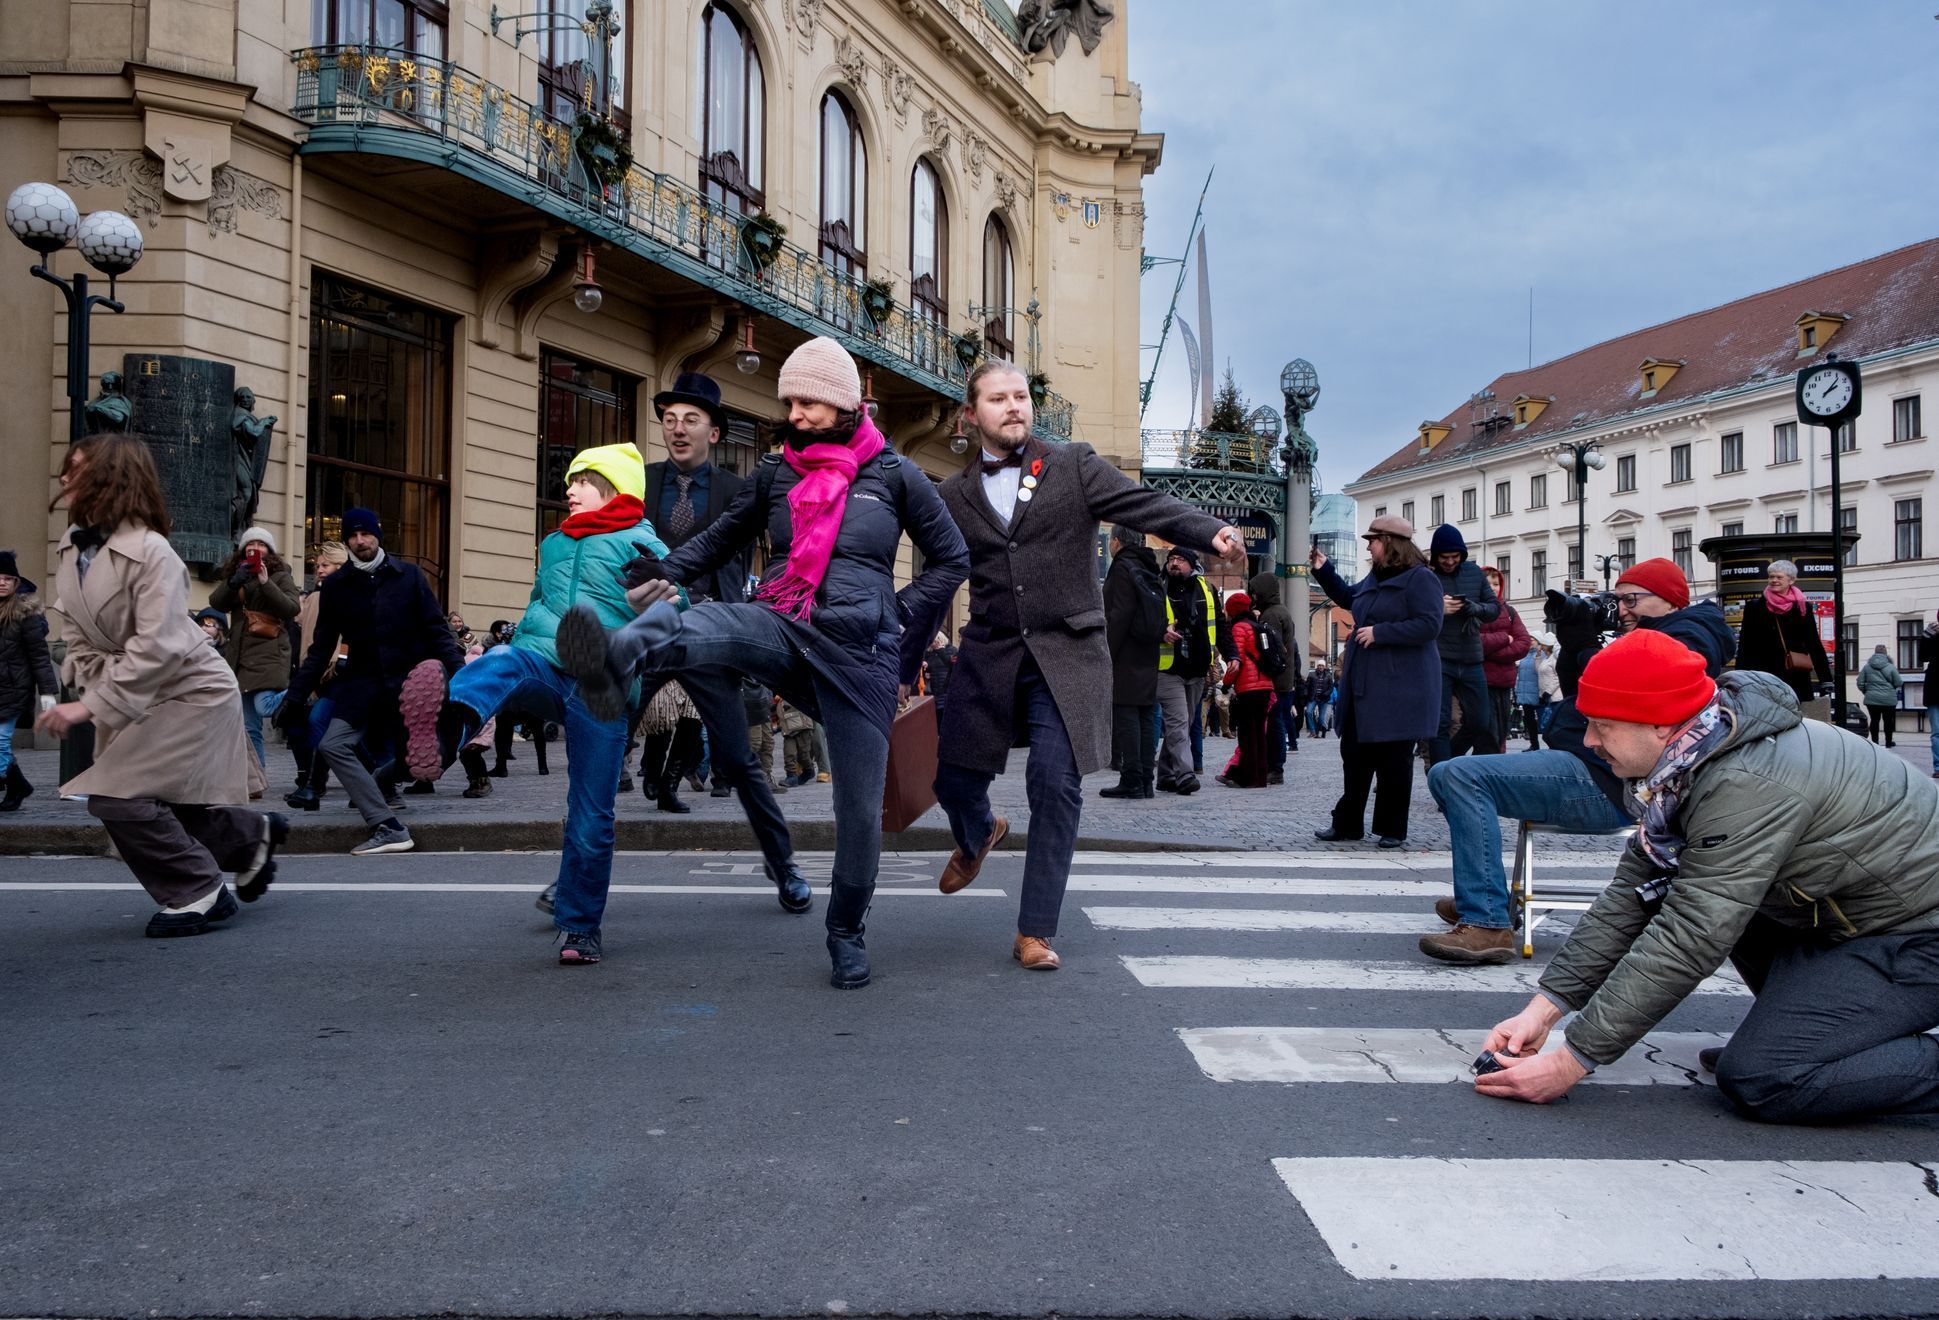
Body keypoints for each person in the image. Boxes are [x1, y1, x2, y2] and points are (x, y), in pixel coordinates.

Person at [555, 336, 969, 988]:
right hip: (786, 621)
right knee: (716, 625)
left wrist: (900, 619)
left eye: (809, 401)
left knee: (859, 815)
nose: (796, 414)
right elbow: (724, 537)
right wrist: (667, 568)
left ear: (840, 402)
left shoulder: (892, 473)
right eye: (790, 401)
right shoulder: (777, 473)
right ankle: (618, 654)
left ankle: (845, 931)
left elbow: (952, 559)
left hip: (860, 654)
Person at [1474, 629, 1939, 1124]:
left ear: (1659, 726)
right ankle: (1804, 1040)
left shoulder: (1745, 783)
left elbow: (1692, 934)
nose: (1589, 741)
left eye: (1602, 726)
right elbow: (1631, 897)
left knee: (1763, 1077)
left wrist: (1572, 1061)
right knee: (1698, 897)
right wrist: (1542, 1011)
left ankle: (1797, 1053)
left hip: (1915, 937)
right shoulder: (1694, 756)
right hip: (1847, 920)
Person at [929, 358, 1240, 971]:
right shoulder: (950, 494)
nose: (1014, 406)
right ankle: (978, 830)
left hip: (1067, 651)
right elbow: (937, 578)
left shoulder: (1071, 465)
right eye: (998, 399)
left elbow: (1141, 503)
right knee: (954, 777)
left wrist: (1208, 531)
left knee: (1054, 781)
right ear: (971, 415)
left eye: (1020, 396)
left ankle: (1034, 930)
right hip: (991, 650)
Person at [1421, 556, 1734, 964]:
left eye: (1631, 599)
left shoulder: (1691, 636)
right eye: (1618, 600)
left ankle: (1488, 921)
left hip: (1612, 779)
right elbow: (1580, 690)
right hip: (1595, 764)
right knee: (1452, 773)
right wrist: (1575, 639)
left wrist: (1590, 645)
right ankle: (1485, 897)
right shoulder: (1660, 632)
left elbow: (1634, 679)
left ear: (1669, 600)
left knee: (1459, 775)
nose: (1622, 610)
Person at [38, 435, 283, 935]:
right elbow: (75, 630)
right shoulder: (72, 548)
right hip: (133, 690)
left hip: (189, 690)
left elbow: (160, 645)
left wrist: (90, 709)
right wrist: (83, 684)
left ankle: (198, 890)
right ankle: (247, 837)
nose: (64, 478)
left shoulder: (155, 553)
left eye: (77, 469)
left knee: (116, 797)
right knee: (153, 800)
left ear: (113, 476)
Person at [284, 507, 464, 856]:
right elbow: (321, 648)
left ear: (378, 535)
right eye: (352, 535)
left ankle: (386, 782)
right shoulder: (336, 586)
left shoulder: (409, 577)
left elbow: (437, 631)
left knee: (428, 756)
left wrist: (462, 674)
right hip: (361, 683)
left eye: (365, 534)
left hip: (409, 683)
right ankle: (386, 825)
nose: (359, 540)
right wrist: (295, 695)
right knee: (332, 745)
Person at [1309, 516, 1442, 847]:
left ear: (1391, 543)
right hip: (1364, 686)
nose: (1368, 546)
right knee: (1353, 756)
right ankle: (1348, 824)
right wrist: (1324, 569)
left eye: (1373, 540)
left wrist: (1382, 632)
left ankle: (1392, 828)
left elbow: (1429, 625)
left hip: (1400, 688)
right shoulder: (1374, 579)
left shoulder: (1421, 579)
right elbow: (1348, 598)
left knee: (1394, 763)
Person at [645, 371, 749, 606]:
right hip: (646, 615)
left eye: (691, 420)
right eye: (670, 420)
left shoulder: (737, 491)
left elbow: (740, 566)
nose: (678, 430)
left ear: (714, 434)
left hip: (714, 618)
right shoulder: (640, 481)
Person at [209, 526, 300, 773]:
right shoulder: (237, 575)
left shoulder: (281, 575)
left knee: (264, 706)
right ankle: (256, 777)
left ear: (269, 550)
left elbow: (291, 608)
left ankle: (301, 693)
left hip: (269, 651)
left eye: (261, 545)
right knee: (250, 727)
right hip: (240, 655)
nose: (255, 548)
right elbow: (216, 603)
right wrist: (232, 582)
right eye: (251, 544)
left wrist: (265, 582)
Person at [1424, 524, 1500, 762]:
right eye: (1444, 557)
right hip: (1439, 656)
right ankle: (1443, 778)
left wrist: (1475, 608)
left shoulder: (1474, 573)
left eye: (1454, 557)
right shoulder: (1426, 575)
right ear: (1436, 555)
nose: (1449, 562)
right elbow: (1415, 611)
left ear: (1462, 555)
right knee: (1441, 723)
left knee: (1480, 721)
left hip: (1470, 658)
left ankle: (1447, 762)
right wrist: (1438, 608)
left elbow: (1494, 608)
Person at [1100, 525, 1165, 800]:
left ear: (1116, 542)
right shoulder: (1149, 565)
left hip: (1126, 651)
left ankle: (1132, 780)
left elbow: (1120, 612)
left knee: (1127, 714)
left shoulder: (1122, 566)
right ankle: (1146, 781)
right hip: (1149, 648)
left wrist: (1107, 650)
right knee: (1146, 714)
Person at [283, 541, 349, 810]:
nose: (320, 570)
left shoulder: (346, 594)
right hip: (317, 671)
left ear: (340, 566)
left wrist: (339, 661)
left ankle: (314, 784)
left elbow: (345, 636)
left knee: (323, 725)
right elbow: (310, 640)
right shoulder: (314, 598)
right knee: (316, 726)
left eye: (326, 565)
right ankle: (312, 783)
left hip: (339, 672)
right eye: (317, 566)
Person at [1155, 546, 1221, 795]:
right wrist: (1161, 630)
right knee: (1179, 723)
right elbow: (1145, 619)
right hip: (1168, 668)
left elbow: (1220, 624)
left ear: (1192, 565)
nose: (1174, 563)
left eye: (1180, 560)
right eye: (1171, 559)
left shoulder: (1206, 589)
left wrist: (1231, 654)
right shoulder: (1158, 587)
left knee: (1183, 723)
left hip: (1197, 668)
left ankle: (1164, 775)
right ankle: (1185, 775)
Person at [0, 548, 59, 811]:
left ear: (16, 582)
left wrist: (47, 694)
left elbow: (39, 656)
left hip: (14, 689)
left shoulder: (26, 614)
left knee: (0, 740)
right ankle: (17, 785)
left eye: (7, 578)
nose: (2, 582)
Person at [1733, 559, 1830, 709]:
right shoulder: (1754, 607)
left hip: (1794, 673)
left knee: (1792, 716)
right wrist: (1739, 677)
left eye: (1779, 577)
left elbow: (1813, 642)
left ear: (1791, 580)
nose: (1774, 580)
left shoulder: (1802, 608)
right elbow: (1745, 644)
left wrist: (1825, 679)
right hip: (1763, 674)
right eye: (1771, 577)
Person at [1457, 564, 1529, 758]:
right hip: (1479, 682)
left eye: (1496, 583)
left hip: (1504, 684)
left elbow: (1523, 643)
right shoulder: (1470, 611)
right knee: (1483, 734)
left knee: (1499, 736)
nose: (1494, 587)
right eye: (1489, 583)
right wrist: (1505, 639)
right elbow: (1474, 643)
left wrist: (1490, 651)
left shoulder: (1510, 612)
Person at [1215, 591, 1275, 789]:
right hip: (1265, 685)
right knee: (1259, 734)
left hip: (1249, 688)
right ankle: (1259, 776)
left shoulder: (1239, 628)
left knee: (1248, 734)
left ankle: (1247, 778)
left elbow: (1235, 661)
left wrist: (1225, 683)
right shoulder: (1257, 626)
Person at [1248, 568, 1302, 781]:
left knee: (1274, 722)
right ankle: (1275, 766)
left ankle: (1275, 767)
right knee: (1277, 720)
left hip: (1276, 680)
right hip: (1284, 679)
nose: (1253, 596)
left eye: (1255, 592)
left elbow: (1271, 649)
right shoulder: (1282, 611)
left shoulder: (1271, 615)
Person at [1857, 643, 1901, 746]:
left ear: (1875, 652)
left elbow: (1860, 682)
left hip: (1872, 698)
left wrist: (1866, 691)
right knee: (1888, 721)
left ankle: (1875, 743)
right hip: (1889, 699)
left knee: (1874, 720)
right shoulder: (1891, 667)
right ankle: (1888, 742)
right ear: (1886, 653)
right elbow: (1898, 682)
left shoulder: (1867, 667)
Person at [923, 631, 956, 709]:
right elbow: (929, 667)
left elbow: (949, 663)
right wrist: (926, 666)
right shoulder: (929, 652)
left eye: (933, 641)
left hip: (945, 688)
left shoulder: (951, 650)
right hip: (933, 689)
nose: (931, 643)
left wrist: (940, 650)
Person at [1923, 611, 1939, 779]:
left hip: (1934, 692)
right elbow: (1923, 656)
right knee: (1937, 733)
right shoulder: (1933, 637)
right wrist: (1927, 636)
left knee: (1937, 733)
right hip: (1935, 692)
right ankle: (1938, 766)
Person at [1304, 661, 1333, 738]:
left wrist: (1326, 694)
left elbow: (1331, 688)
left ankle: (1320, 731)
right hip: (1313, 697)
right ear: (1317, 666)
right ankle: (1313, 731)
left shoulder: (1328, 676)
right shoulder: (1311, 674)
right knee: (1308, 712)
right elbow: (1307, 686)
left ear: (1324, 666)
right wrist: (1306, 694)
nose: (1320, 667)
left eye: (1322, 665)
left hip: (1323, 699)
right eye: (1319, 665)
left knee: (1321, 718)